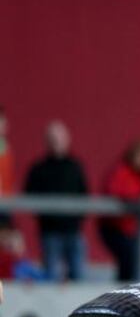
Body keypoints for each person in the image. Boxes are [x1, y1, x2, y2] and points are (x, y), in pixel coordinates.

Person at [24, 120, 90, 281]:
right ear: (47, 141)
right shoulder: (39, 168)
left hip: (73, 231)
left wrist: (77, 218)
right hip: (50, 232)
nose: (56, 143)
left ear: (67, 140)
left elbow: (84, 193)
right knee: (51, 276)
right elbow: (29, 196)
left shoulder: (75, 166)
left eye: (59, 138)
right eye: (52, 139)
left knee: (78, 276)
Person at [99, 141, 140, 282]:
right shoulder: (122, 171)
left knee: (133, 259)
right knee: (127, 258)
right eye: (139, 156)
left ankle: (130, 287)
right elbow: (114, 190)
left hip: (132, 229)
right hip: (114, 227)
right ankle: (121, 290)